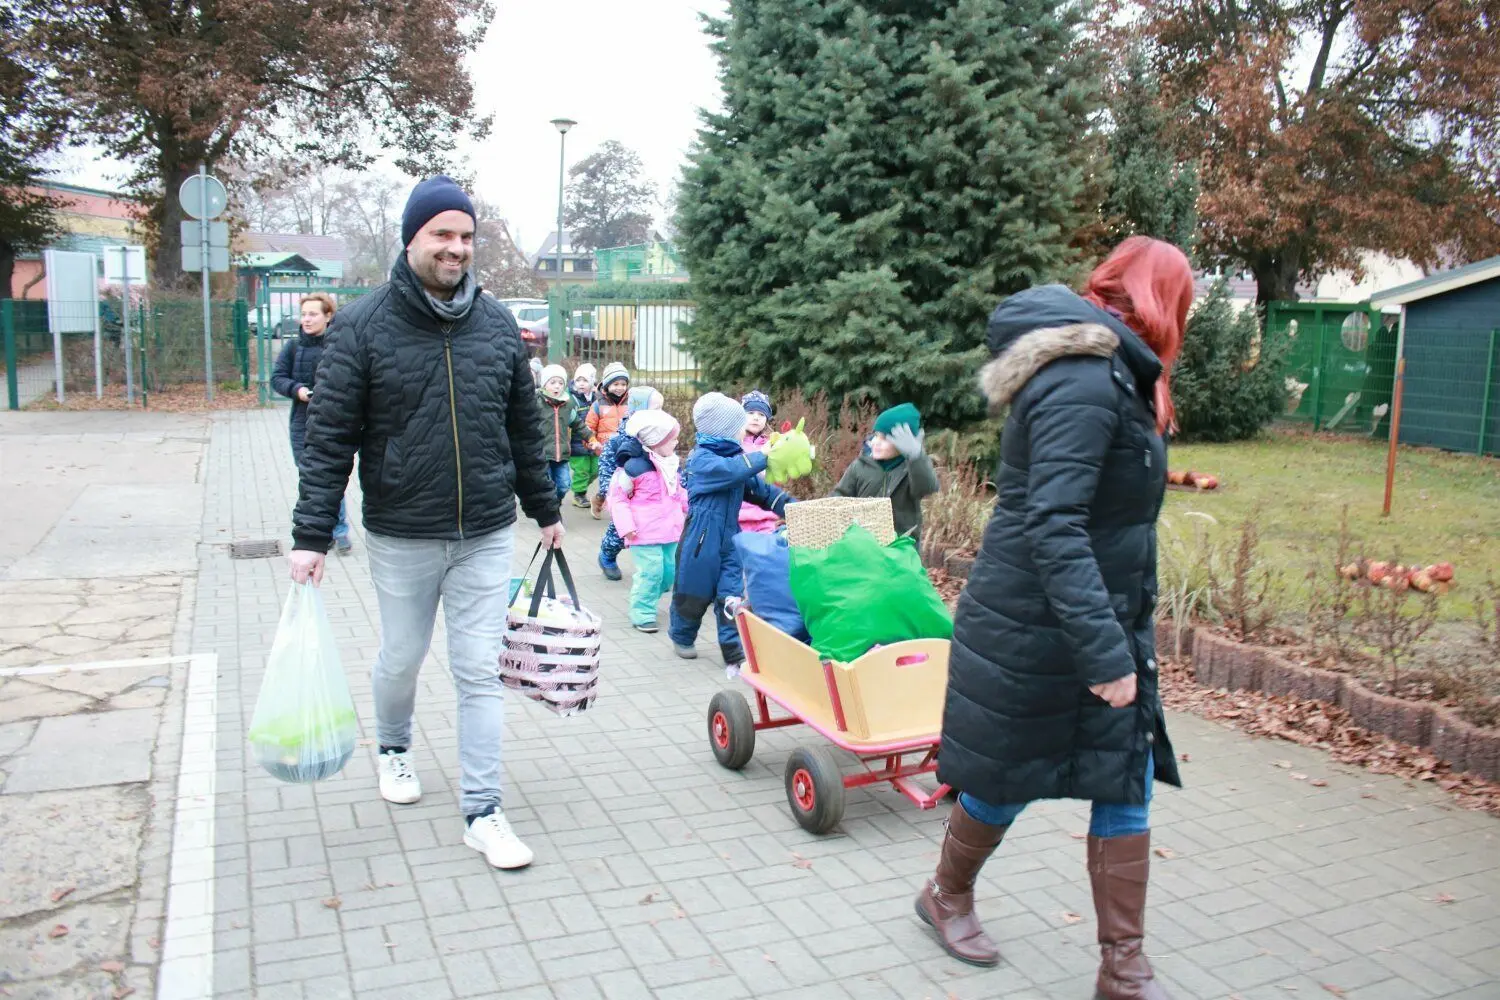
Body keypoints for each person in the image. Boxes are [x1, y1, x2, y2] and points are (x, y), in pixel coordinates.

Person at [915, 237, 1189, 999]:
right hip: (1034, 628)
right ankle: (944, 893)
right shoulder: (1085, 378)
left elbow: (1102, 515)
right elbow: (1054, 523)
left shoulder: (1117, 374)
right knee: (1005, 781)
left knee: (1122, 779)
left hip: (1096, 616)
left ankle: (1123, 969)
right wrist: (1106, 656)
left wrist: (1116, 635)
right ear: (1162, 301)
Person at [288, 175, 564, 871]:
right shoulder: (361, 326)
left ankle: (483, 810)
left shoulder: (498, 325)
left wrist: (547, 510)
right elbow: (330, 440)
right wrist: (311, 536)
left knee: (477, 668)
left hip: (484, 533)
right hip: (402, 530)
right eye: (442, 234)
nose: (456, 248)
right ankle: (393, 746)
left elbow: (523, 429)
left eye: (466, 237)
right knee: (402, 656)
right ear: (411, 238)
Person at [670, 392, 792, 669]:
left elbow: (758, 490)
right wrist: (762, 456)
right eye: (739, 424)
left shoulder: (735, 459)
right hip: (700, 540)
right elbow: (731, 471)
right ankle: (682, 635)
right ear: (723, 430)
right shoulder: (702, 460)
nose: (744, 428)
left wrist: (791, 508)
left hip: (729, 540)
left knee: (731, 594)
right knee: (693, 592)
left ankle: (732, 648)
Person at [271, 293, 352, 554]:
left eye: (313, 314)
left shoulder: (339, 346)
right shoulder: (292, 348)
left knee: (330, 475)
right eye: (304, 314)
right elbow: (278, 378)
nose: (306, 319)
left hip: (333, 422)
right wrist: (297, 390)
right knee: (310, 477)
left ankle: (339, 531)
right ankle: (319, 531)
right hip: (301, 424)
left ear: (328, 316)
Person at [605, 410, 687, 634]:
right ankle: (642, 612)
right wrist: (626, 527)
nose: (677, 442)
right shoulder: (633, 468)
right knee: (651, 572)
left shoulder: (671, 464)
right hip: (643, 532)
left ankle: (647, 593)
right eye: (672, 439)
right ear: (656, 442)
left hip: (671, 530)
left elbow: (678, 493)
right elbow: (618, 498)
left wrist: (690, 511)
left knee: (669, 572)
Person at [832, 402, 940, 541]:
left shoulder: (911, 469)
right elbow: (839, 496)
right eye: (876, 435)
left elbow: (927, 488)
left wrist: (916, 456)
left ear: (903, 443)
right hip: (864, 543)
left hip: (901, 546)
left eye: (885, 439)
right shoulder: (860, 466)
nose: (876, 442)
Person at [595, 389, 665, 581]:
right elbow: (607, 464)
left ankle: (655, 569)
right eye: (656, 408)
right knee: (620, 528)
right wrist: (607, 489)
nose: (661, 413)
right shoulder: (620, 439)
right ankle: (607, 555)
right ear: (639, 410)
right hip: (626, 493)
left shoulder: (660, 434)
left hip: (649, 493)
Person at [536, 364, 594, 502]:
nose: (557, 386)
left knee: (563, 486)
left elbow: (578, 424)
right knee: (547, 486)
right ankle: (551, 512)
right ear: (544, 384)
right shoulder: (536, 403)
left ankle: (554, 504)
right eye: (553, 382)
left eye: (561, 383)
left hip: (562, 455)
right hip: (543, 454)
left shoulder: (567, 405)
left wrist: (591, 438)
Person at [585, 362, 633, 517]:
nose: (620, 387)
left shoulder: (631, 403)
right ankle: (599, 499)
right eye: (615, 384)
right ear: (606, 384)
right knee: (608, 485)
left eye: (623, 384)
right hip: (606, 451)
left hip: (626, 450)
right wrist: (592, 442)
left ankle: (621, 513)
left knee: (625, 483)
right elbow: (589, 427)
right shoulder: (598, 404)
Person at [737, 391, 781, 535]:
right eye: (751, 413)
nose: (756, 417)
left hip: (765, 516)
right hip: (738, 516)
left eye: (761, 415)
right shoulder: (735, 445)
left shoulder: (772, 445)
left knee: (764, 553)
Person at [568, 363, 600, 510]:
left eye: (585, 380)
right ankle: (579, 495)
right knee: (582, 470)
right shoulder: (571, 399)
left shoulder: (596, 398)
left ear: (592, 382)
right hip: (577, 443)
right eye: (578, 380)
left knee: (595, 469)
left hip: (593, 441)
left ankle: (576, 485)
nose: (581, 384)